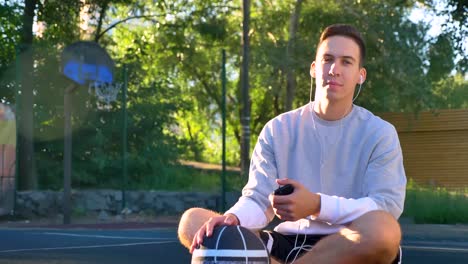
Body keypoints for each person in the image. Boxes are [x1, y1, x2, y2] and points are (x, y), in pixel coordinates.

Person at [178, 24, 406, 264]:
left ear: (361, 75)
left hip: (349, 245)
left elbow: (385, 207)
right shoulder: (278, 128)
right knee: (192, 221)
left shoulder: (380, 133)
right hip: (284, 246)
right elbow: (258, 200)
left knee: (384, 228)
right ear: (314, 69)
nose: (335, 69)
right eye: (328, 59)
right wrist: (233, 218)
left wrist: (317, 204)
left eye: (346, 62)